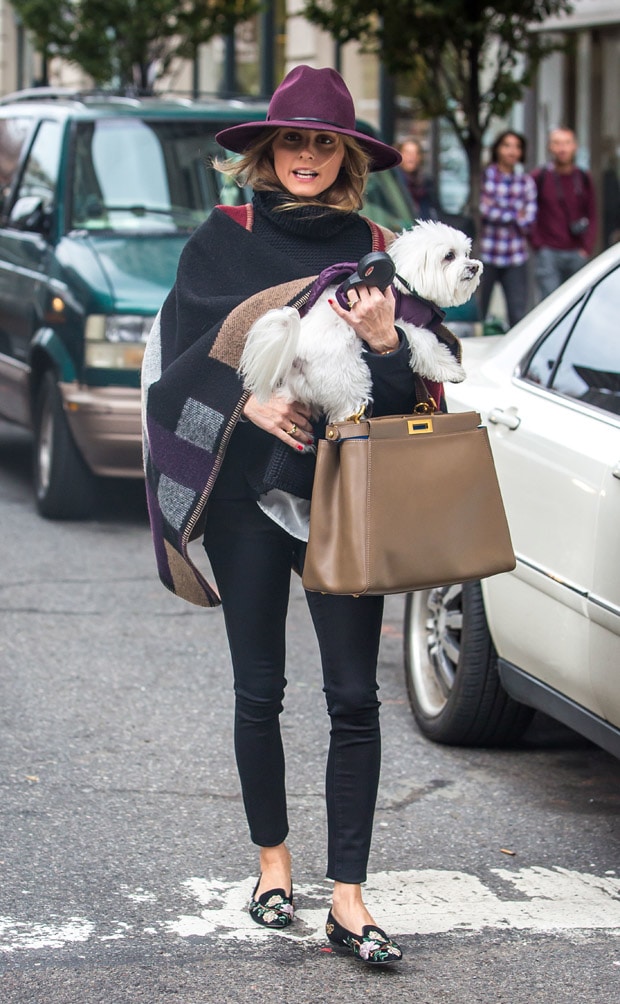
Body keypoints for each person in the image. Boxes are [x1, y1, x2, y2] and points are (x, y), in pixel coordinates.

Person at [142, 65, 459, 966]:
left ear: (347, 157)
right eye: (295, 141)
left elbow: (410, 397)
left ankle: (349, 898)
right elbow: (179, 363)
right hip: (247, 500)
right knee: (259, 690)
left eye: (325, 142)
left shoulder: (381, 250)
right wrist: (246, 405)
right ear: (269, 151)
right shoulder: (220, 242)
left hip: (344, 503)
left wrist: (384, 341)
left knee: (355, 698)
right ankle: (273, 865)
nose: (307, 156)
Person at [478, 130, 538, 328]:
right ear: (498, 149)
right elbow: (485, 211)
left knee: (517, 314)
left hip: (515, 256)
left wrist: (499, 208)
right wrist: (514, 213)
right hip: (487, 253)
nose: (512, 151)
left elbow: (528, 219)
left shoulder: (526, 182)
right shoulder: (485, 177)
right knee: (479, 311)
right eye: (507, 145)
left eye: (517, 147)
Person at [530, 127, 597, 299]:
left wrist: (586, 247)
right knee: (550, 304)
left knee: (578, 302)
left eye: (567, 143)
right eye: (557, 143)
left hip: (577, 252)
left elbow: (592, 213)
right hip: (548, 253)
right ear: (550, 147)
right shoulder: (540, 176)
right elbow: (529, 212)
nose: (562, 148)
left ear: (575, 146)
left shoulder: (583, 177)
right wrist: (539, 245)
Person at [398, 137, 438, 218]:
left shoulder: (426, 184)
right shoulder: (394, 182)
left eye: (415, 153)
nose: (411, 157)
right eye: (407, 152)